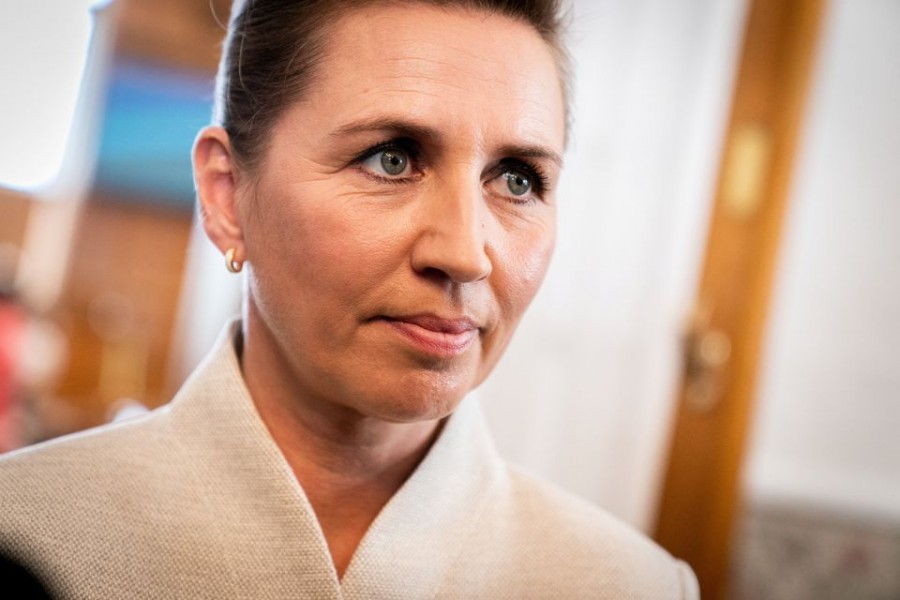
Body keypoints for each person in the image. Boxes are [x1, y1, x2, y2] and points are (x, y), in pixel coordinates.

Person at [0, 0, 699, 598]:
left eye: (517, 179)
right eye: (390, 157)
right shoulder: (30, 531)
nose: (464, 252)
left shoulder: (629, 584)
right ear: (227, 196)